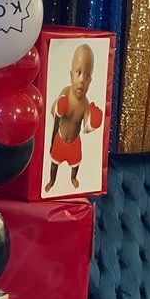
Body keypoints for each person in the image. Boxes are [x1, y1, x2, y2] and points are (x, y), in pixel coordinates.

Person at [45, 44, 102, 193]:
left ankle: (73, 178)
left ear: (90, 81)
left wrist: (92, 123)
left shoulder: (85, 104)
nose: (82, 79)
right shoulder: (66, 92)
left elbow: (86, 128)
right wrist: (58, 106)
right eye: (79, 72)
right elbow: (53, 111)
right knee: (53, 165)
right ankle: (52, 180)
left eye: (87, 75)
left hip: (75, 143)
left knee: (76, 165)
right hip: (60, 139)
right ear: (71, 75)